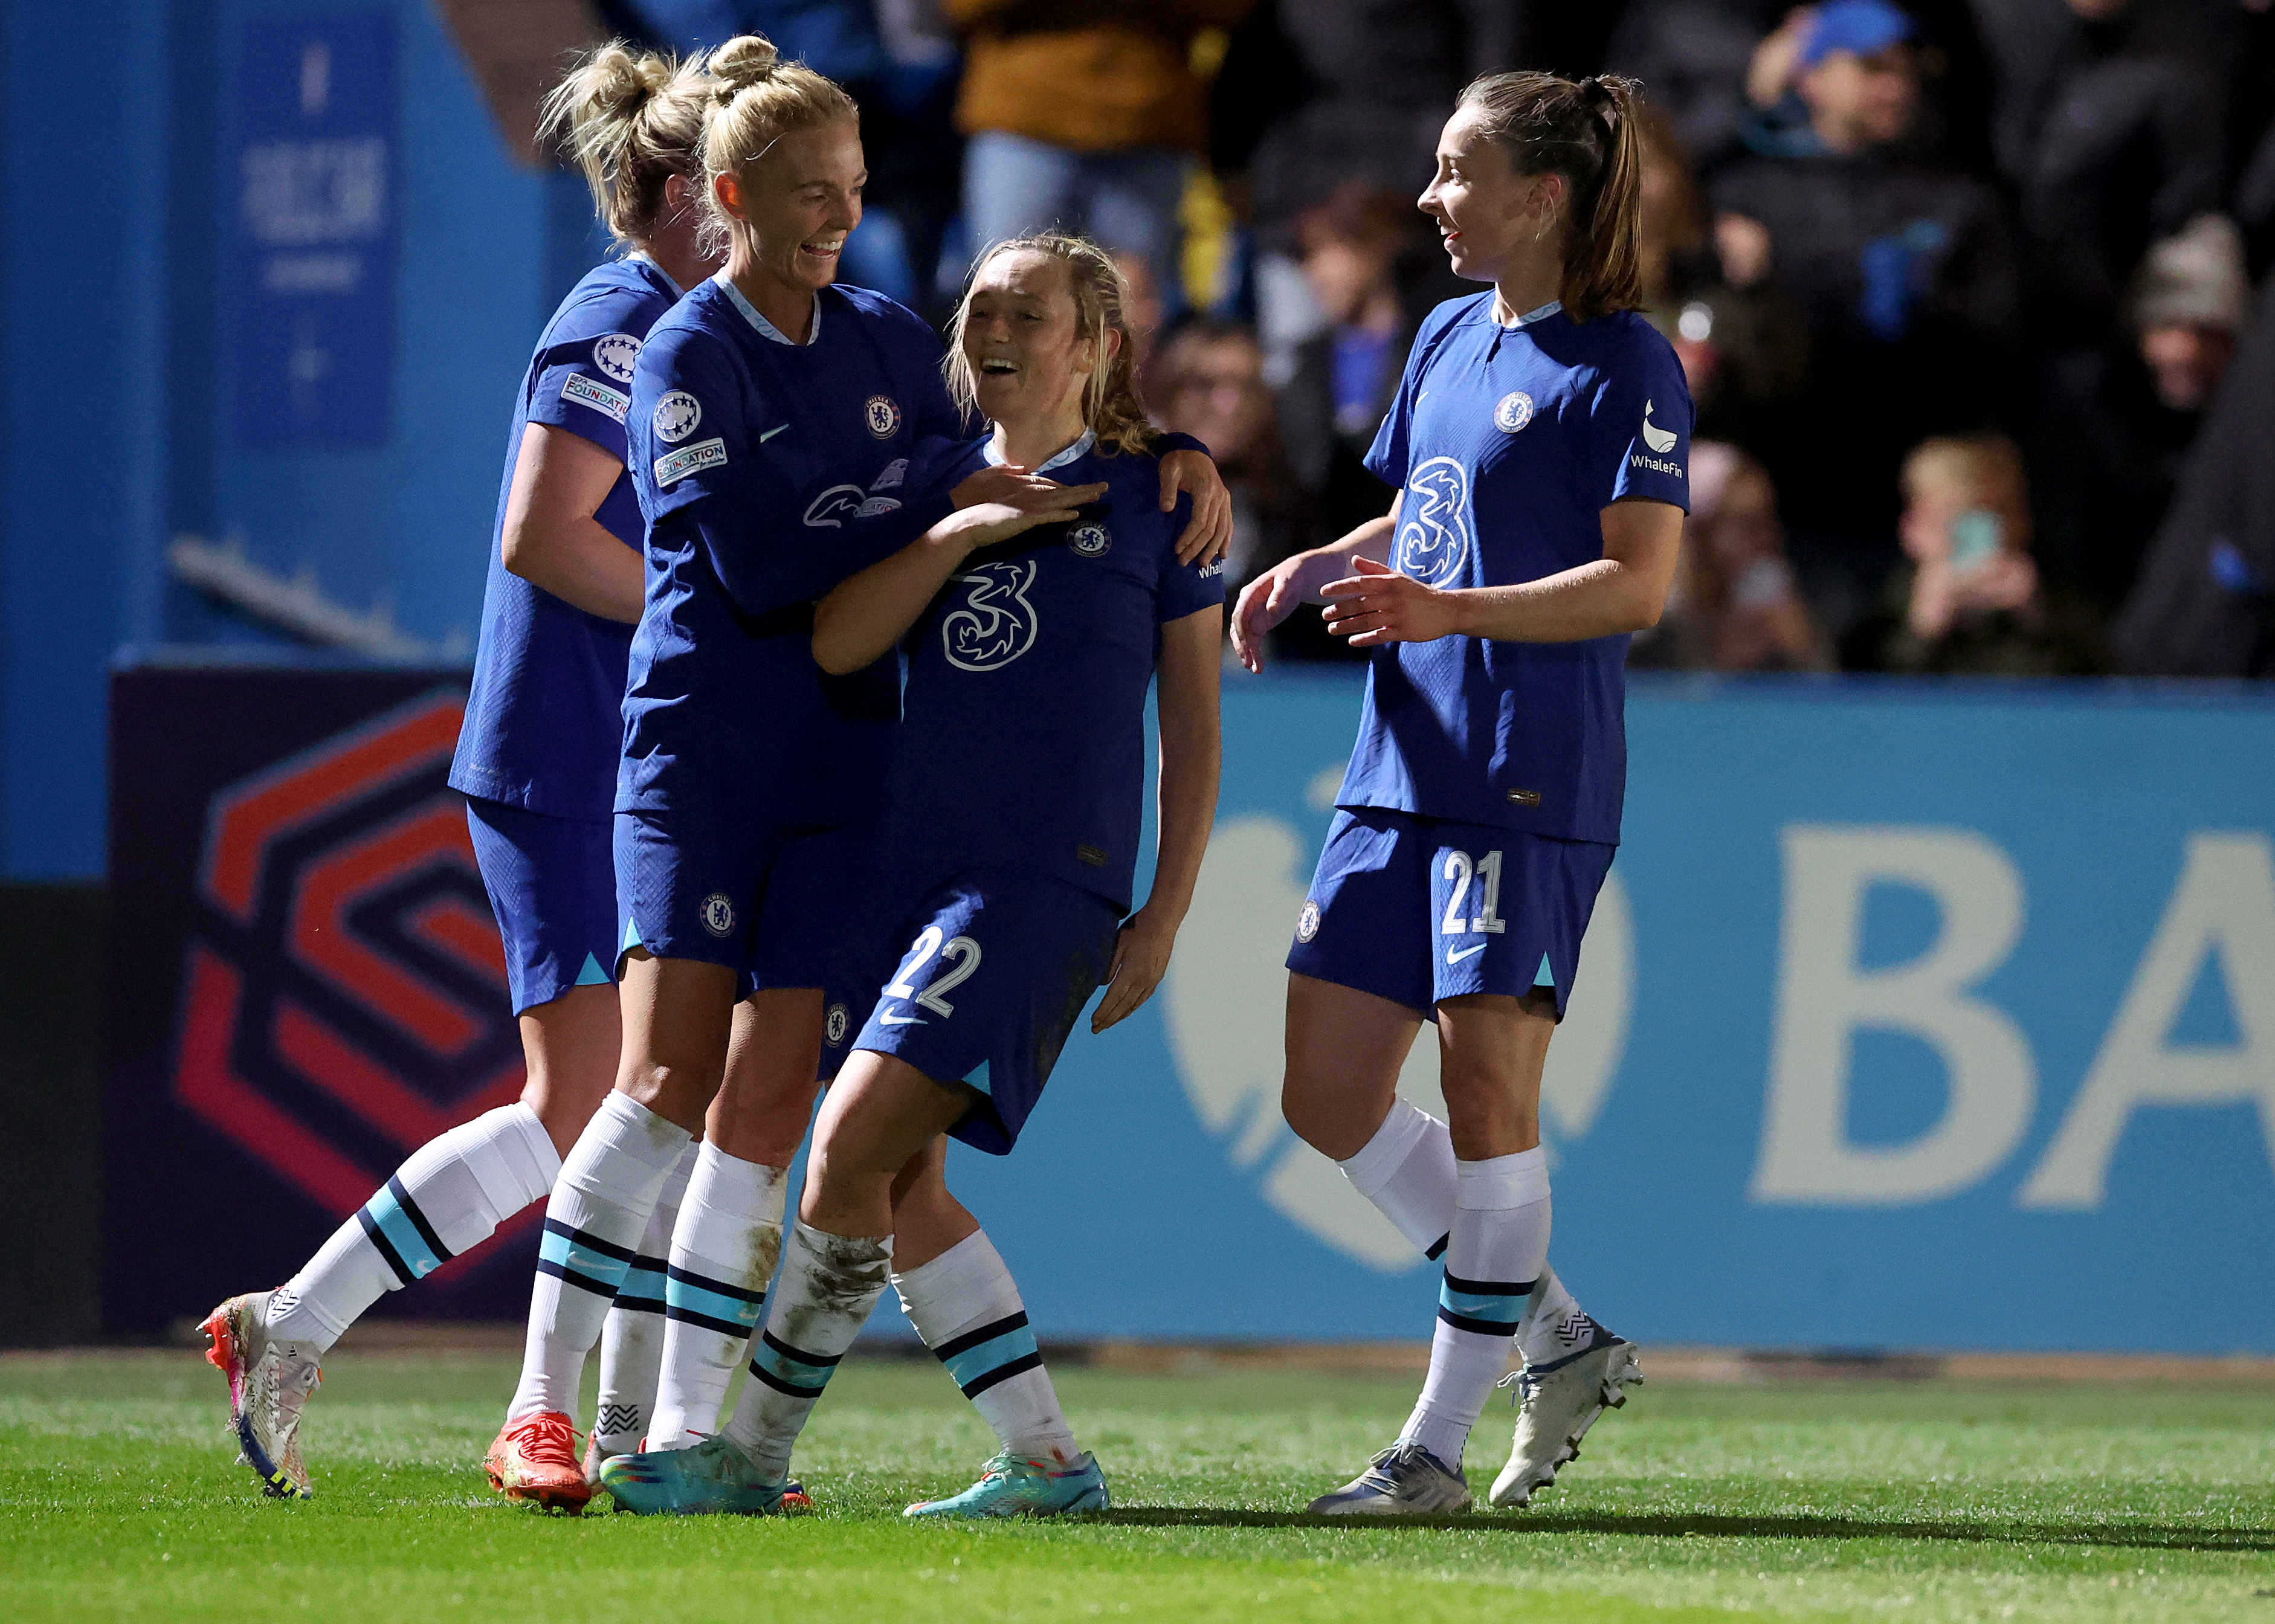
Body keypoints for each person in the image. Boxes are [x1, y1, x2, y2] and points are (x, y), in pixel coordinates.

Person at [490, 36, 1233, 1515]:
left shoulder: (894, 344)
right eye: (806, 193)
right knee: (658, 1088)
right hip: (707, 752)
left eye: (851, 187)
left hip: (861, 785)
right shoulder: (688, 353)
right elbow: (773, 580)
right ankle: (544, 1414)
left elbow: (1037, 447)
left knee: (785, 1117)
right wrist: (943, 523)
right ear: (727, 196)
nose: (836, 216)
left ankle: (698, 1442)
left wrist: (1176, 450)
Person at [199, 41, 721, 1503]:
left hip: (627, 756)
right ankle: (303, 1331)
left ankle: (617, 1434)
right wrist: (717, 607)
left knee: (640, 1103)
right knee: (590, 1111)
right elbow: (545, 533)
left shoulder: (699, 319)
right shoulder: (620, 316)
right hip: (563, 748)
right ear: (682, 191)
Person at [1233, 71, 1689, 1515]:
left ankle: (1430, 1448)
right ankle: (1552, 1334)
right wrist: (1322, 562)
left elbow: (1640, 583)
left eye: (1454, 171)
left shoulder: (1627, 362)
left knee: (1484, 1091)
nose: (1430, 198)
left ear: (1540, 194)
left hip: (1520, 771)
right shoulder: (1440, 329)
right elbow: (1433, 505)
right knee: (1323, 1095)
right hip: (1397, 763)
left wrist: (1448, 613)